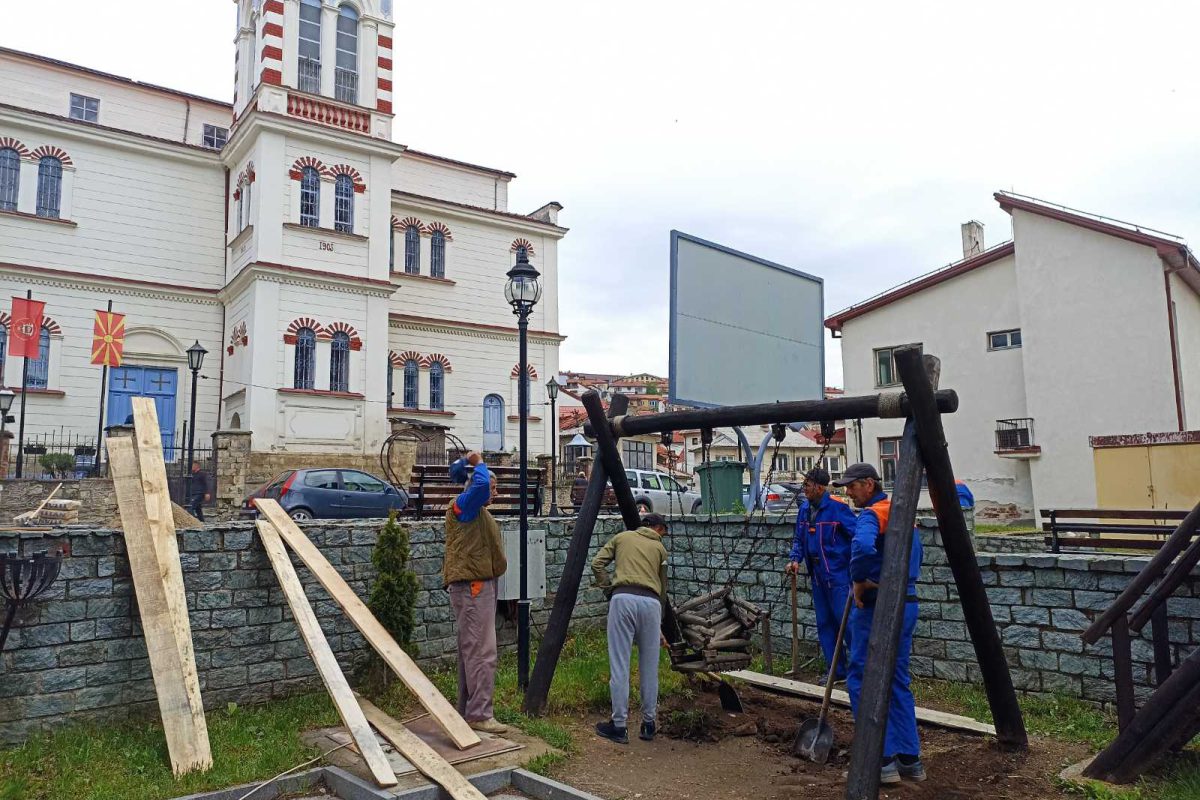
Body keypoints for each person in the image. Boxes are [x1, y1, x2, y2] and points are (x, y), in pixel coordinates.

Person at [833, 462, 924, 785]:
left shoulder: (873, 515)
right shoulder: (902, 514)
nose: (848, 492)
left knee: (861, 677)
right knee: (898, 679)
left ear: (869, 484)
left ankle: (879, 760)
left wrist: (861, 580)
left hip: (875, 608)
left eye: (852, 486)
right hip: (907, 603)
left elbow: (860, 546)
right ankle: (909, 759)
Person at [443, 451, 509, 735]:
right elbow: (480, 486)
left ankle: (469, 710)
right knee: (482, 651)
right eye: (493, 488)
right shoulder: (464, 506)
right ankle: (480, 714)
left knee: (472, 650)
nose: (494, 492)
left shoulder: (476, 512)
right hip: (473, 587)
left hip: (478, 586)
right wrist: (478, 462)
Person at [591, 512, 670, 745]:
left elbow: (597, 564)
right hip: (652, 604)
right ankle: (648, 724)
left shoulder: (621, 538)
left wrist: (609, 589)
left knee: (620, 664)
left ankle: (619, 726)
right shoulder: (660, 550)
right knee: (649, 666)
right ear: (658, 529)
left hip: (623, 599)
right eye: (663, 532)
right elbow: (663, 590)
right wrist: (659, 624)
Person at [784, 467, 858, 683]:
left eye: (807, 485)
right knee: (825, 624)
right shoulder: (804, 510)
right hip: (817, 576)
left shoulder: (838, 509)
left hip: (838, 577)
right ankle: (836, 671)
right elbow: (799, 538)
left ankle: (862, 671)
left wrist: (853, 567)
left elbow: (857, 538)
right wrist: (795, 559)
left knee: (848, 624)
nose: (804, 489)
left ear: (819, 487)